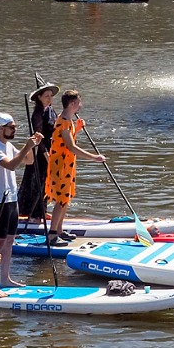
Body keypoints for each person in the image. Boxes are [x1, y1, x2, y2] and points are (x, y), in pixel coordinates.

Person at [0, 112, 42, 297]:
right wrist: (27, 146)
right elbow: (10, 165)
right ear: (1, 129)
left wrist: (33, 146)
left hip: (12, 200)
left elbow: (28, 161)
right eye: (11, 127)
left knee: (10, 240)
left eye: (15, 127)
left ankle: (5, 279)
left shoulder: (8, 146)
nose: (14, 130)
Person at [45, 90, 106, 246]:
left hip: (68, 165)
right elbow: (71, 147)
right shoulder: (63, 122)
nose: (80, 105)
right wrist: (94, 157)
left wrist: (77, 128)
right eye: (78, 103)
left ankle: (59, 230)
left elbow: (65, 140)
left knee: (66, 198)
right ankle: (52, 234)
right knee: (60, 199)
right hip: (60, 166)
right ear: (72, 104)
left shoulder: (68, 121)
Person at [18, 81, 60, 225]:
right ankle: (33, 213)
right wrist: (46, 155)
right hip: (40, 153)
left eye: (51, 96)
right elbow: (38, 138)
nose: (49, 98)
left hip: (52, 150)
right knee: (37, 183)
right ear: (39, 97)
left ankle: (42, 210)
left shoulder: (51, 111)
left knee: (47, 183)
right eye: (46, 96)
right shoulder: (38, 114)